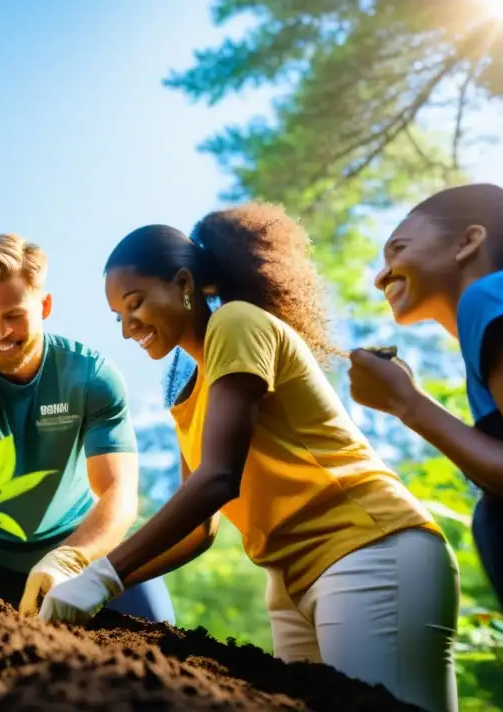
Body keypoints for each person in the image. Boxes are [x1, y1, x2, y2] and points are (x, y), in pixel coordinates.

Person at [38, 206, 460, 712]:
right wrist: (103, 586)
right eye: (119, 317)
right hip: (290, 579)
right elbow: (201, 528)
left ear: (184, 282)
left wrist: (100, 574)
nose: (129, 328)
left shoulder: (236, 324)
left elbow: (218, 479)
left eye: (136, 303)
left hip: (366, 549)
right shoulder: (184, 384)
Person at [0, 233, 175, 622]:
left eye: (14, 315)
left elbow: (119, 492)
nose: (0, 332)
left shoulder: (91, 376)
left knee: (161, 634)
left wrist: (71, 559)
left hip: (81, 543)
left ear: (45, 305)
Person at [346, 182, 503, 649]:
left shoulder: (490, 295)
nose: (380, 276)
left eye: (396, 250)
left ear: (468, 242)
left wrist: (407, 404)